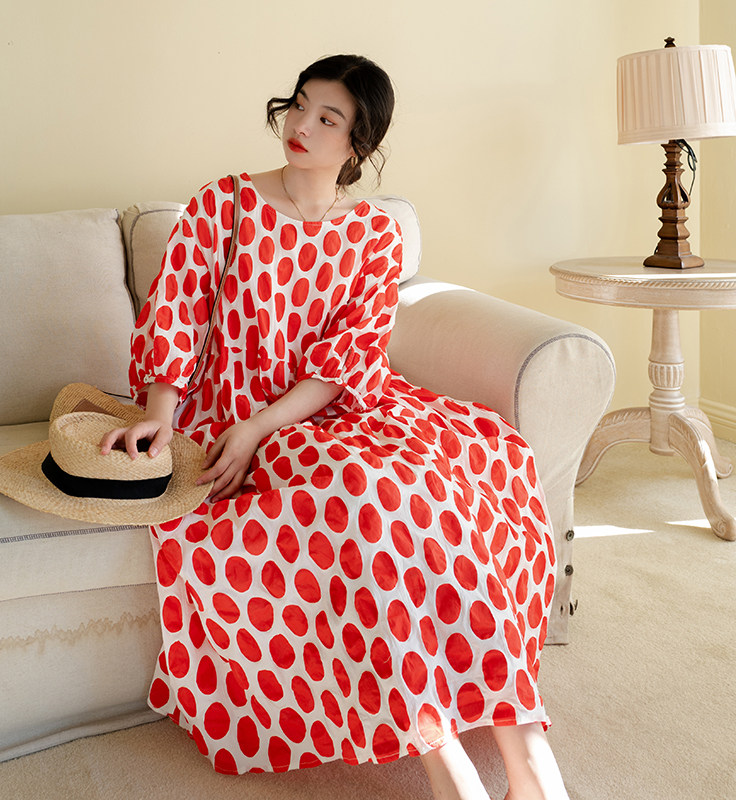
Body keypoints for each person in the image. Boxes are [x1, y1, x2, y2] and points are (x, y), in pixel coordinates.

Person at [101, 54, 570, 800]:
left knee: (468, 470)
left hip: (331, 407)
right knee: (365, 494)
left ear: (358, 141)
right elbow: (178, 312)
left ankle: (531, 769)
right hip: (230, 410)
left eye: (328, 118)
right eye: (299, 106)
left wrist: (266, 425)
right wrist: (162, 417)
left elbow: (343, 363)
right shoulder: (224, 204)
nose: (302, 126)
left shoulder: (376, 234)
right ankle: (449, 767)